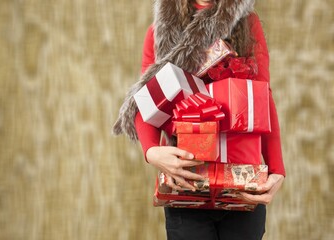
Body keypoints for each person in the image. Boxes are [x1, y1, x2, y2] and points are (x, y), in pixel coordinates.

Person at [113, 0, 285, 239]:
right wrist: (152, 151)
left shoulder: (247, 23)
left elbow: (263, 99)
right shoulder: (159, 31)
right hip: (186, 185)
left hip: (243, 183)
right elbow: (146, 101)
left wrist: (277, 170)